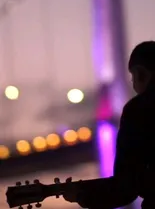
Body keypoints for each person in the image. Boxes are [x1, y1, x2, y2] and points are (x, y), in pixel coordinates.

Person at [63, 41, 155, 209]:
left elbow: (125, 189)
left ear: (141, 73)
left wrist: (80, 195)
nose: (134, 85)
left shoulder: (138, 110)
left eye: (133, 78)